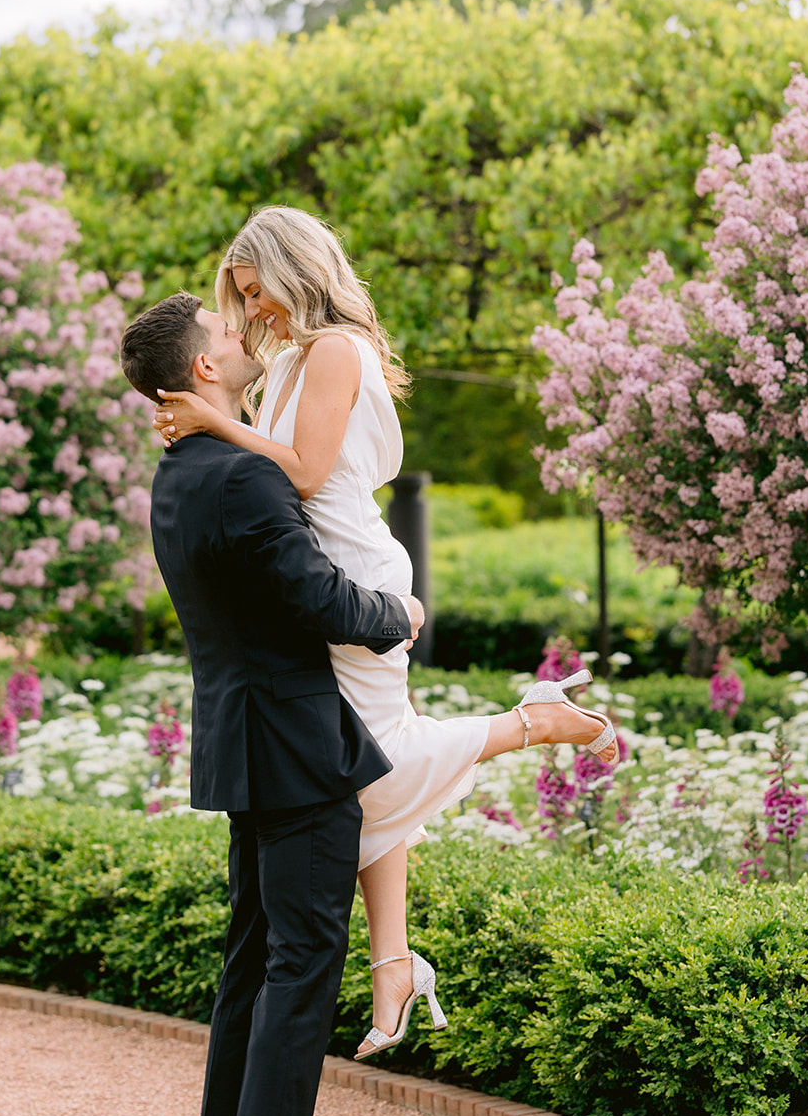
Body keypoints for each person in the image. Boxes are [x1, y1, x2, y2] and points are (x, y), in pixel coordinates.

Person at [153, 206, 618, 1061]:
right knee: (357, 767)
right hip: (321, 575)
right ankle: (394, 962)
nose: (252, 309)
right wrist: (208, 417)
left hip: (353, 580)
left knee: (370, 764)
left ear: (295, 271)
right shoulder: (291, 359)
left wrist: (212, 422)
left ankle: (533, 722)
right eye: (241, 298)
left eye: (256, 291)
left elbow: (303, 473)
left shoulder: (335, 349)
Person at [120, 291, 423, 1116]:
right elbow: (314, 597)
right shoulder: (244, 476)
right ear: (204, 368)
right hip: (294, 748)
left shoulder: (182, 470)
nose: (241, 329)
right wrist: (398, 613)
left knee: (253, 964)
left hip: (244, 742)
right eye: (224, 331)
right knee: (301, 964)